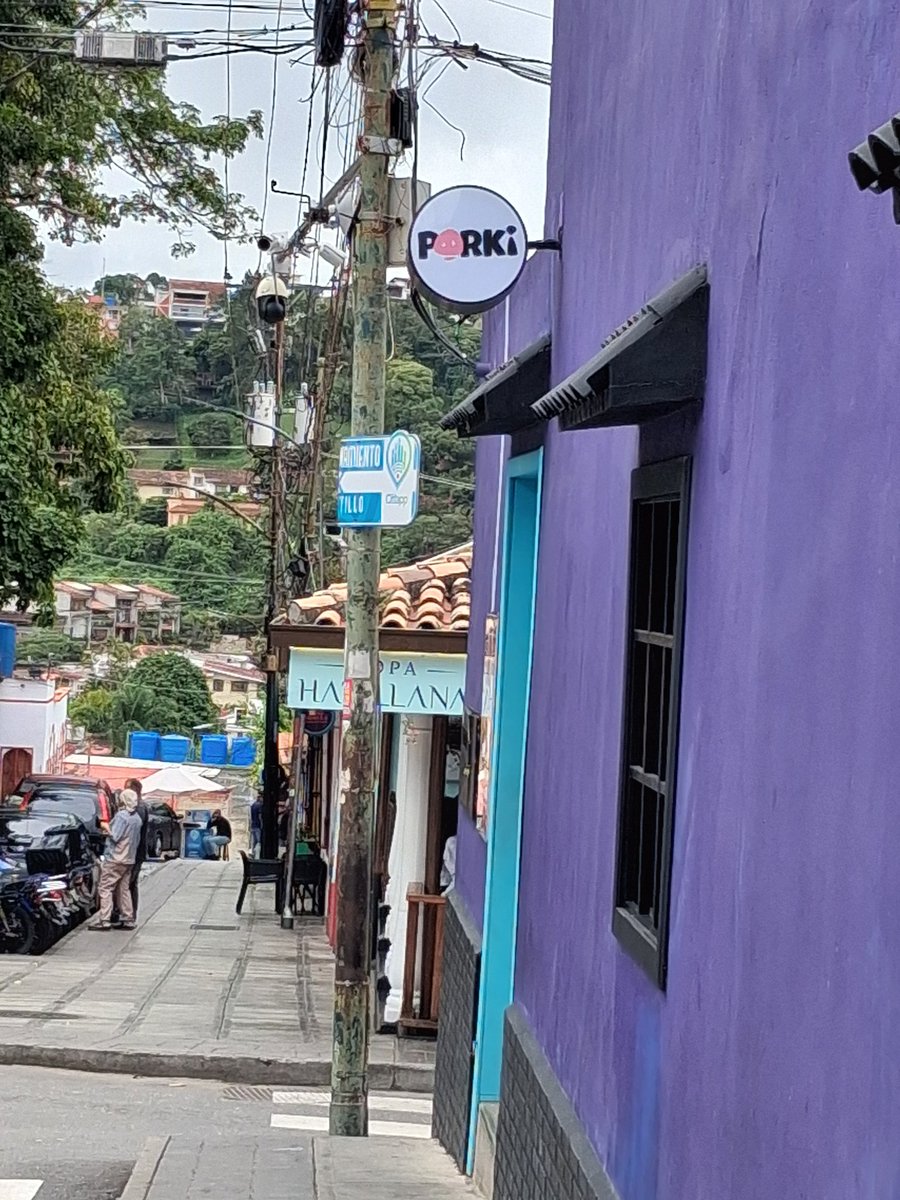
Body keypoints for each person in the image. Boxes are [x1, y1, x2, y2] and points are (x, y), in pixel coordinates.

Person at [90, 789, 142, 931]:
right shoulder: (137, 818)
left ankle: (104, 920)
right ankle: (128, 919)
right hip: (129, 858)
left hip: (116, 858)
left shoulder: (121, 816)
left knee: (105, 887)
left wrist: (106, 827)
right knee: (123, 889)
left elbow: (115, 836)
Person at [249, 792, 263, 858]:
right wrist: (262, 825)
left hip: (253, 825)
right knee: (259, 841)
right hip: (258, 826)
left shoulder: (253, 805)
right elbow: (260, 816)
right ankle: (258, 855)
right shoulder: (260, 805)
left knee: (254, 841)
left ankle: (253, 853)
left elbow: (251, 816)